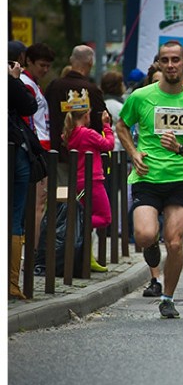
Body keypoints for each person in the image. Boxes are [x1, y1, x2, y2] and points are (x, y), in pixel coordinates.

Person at [117, 40, 183, 318]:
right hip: (147, 176)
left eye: (176, 60)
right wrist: (133, 152)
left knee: (175, 242)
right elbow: (121, 125)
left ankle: (167, 297)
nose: (170, 65)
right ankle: (150, 248)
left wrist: (180, 149)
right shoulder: (141, 96)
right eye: (165, 60)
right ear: (158, 64)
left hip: (181, 178)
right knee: (145, 235)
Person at [45, 45, 107, 187]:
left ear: (71, 60)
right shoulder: (92, 90)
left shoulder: (54, 86)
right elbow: (101, 121)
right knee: (84, 198)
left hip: (58, 152)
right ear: (91, 63)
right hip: (87, 156)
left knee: (61, 195)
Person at [63, 102, 115, 272]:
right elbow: (108, 145)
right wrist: (107, 126)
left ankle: (87, 256)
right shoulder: (87, 133)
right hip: (92, 180)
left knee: (88, 214)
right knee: (104, 217)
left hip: (79, 180)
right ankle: (76, 224)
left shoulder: (69, 133)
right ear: (86, 115)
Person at [8, 55, 39, 300]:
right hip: (13, 149)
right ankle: (11, 283)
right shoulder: (10, 80)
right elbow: (29, 106)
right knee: (15, 215)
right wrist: (14, 80)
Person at [20, 42, 55, 249]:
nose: (45, 70)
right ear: (28, 61)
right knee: (36, 204)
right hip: (36, 148)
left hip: (40, 146)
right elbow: (28, 120)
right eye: (41, 65)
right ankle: (31, 253)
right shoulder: (25, 84)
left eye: (48, 66)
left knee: (37, 203)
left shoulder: (33, 84)